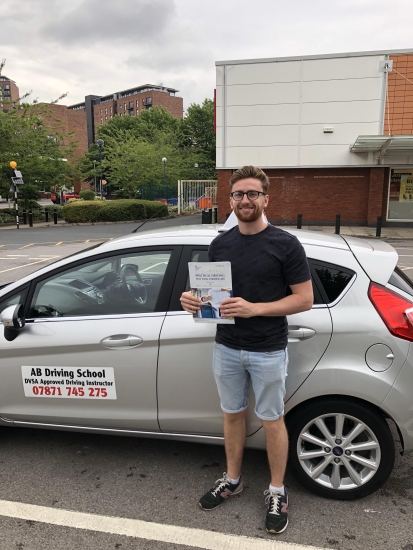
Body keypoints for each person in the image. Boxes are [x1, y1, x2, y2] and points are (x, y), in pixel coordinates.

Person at [180, 165, 313, 534]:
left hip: (268, 349)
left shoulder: (285, 244)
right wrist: (192, 300)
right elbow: (211, 293)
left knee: (272, 420)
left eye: (253, 193)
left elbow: (304, 299)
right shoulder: (220, 244)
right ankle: (233, 480)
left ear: (266, 199)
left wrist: (255, 309)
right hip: (226, 346)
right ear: (232, 200)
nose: (246, 200)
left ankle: (276, 491)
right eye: (239, 194)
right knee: (232, 415)